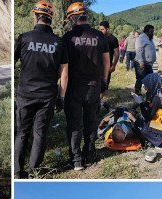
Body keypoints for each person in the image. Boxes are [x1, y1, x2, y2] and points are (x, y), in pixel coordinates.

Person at [14, 0, 69, 178]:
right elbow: (64, 74)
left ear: (36, 16)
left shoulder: (24, 38)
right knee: (39, 134)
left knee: (22, 133)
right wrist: (61, 98)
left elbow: (11, 64)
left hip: (25, 94)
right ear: (51, 19)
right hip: (47, 96)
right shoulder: (59, 43)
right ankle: (33, 172)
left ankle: (16, 171)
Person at [63, 2, 107, 170]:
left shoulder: (68, 37)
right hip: (94, 85)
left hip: (74, 87)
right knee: (90, 121)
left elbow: (63, 66)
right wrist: (104, 81)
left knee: (74, 123)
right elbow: (106, 61)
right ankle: (89, 155)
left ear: (73, 18)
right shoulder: (99, 36)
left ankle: (76, 160)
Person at [98, 21, 120, 106]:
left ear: (107, 29)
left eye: (102, 29)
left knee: (104, 85)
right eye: (100, 29)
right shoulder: (99, 37)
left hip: (107, 66)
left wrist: (114, 65)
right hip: (98, 65)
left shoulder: (113, 39)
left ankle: (99, 101)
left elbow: (117, 53)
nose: (101, 31)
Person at [135, 25, 156, 95]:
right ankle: (138, 96)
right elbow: (138, 51)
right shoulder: (141, 38)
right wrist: (141, 63)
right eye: (151, 32)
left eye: (153, 31)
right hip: (141, 63)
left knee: (150, 80)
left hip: (148, 64)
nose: (152, 33)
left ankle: (149, 96)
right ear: (146, 31)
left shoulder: (150, 39)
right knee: (140, 80)